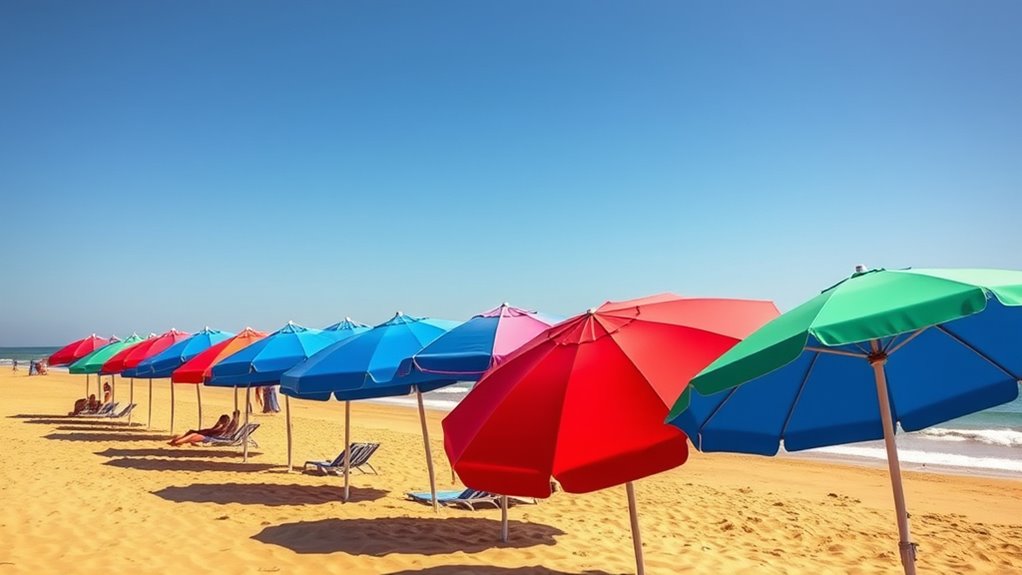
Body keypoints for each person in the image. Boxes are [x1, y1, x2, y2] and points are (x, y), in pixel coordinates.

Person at [168, 414, 232, 446]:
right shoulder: (220, 426)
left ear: (227, 421)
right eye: (221, 420)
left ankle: (177, 442)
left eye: (224, 420)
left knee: (193, 434)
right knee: (191, 432)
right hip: (206, 436)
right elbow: (212, 429)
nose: (222, 421)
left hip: (208, 438)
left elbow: (211, 431)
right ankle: (176, 440)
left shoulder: (224, 428)